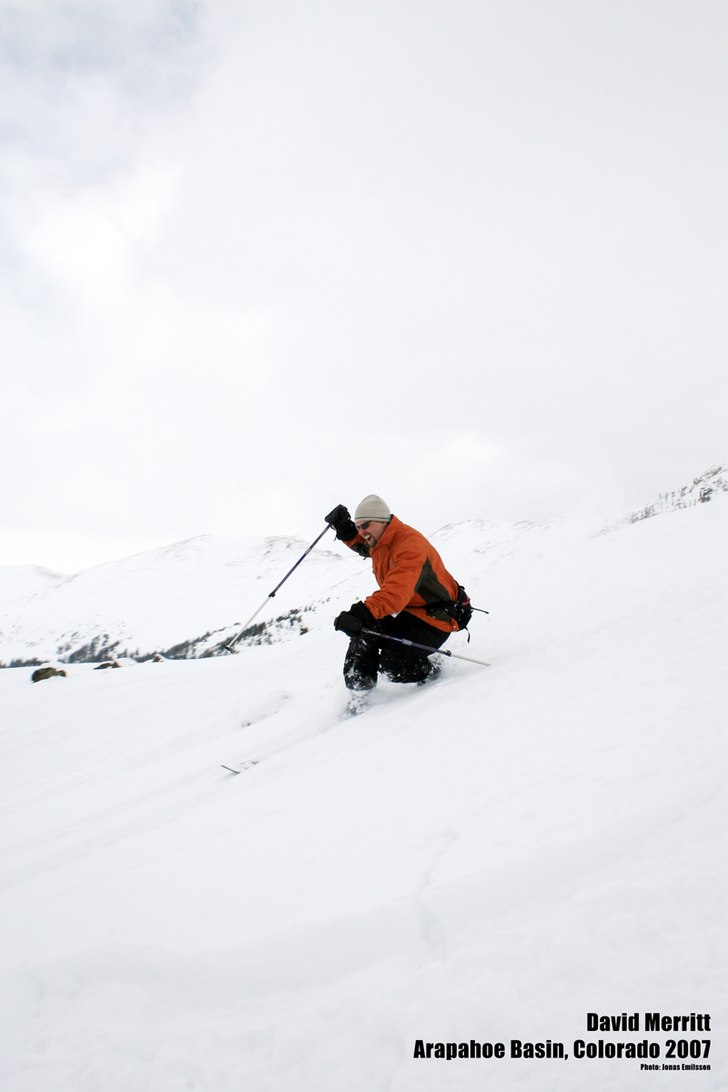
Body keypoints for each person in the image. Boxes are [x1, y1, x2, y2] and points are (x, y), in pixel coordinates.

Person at [325, 495, 468, 691]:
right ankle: (360, 696)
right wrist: (345, 529)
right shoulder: (382, 539)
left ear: (382, 520)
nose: (362, 531)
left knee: (393, 664)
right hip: (410, 610)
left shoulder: (410, 546)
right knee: (364, 636)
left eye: (365, 525)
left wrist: (361, 612)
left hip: (437, 618)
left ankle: (431, 670)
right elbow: (366, 545)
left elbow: (396, 592)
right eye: (358, 526)